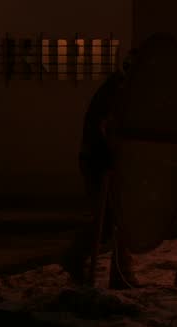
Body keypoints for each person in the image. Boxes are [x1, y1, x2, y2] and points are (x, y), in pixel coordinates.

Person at [61, 52, 142, 289]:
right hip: (99, 163)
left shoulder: (121, 90)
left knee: (119, 217)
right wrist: (110, 156)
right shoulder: (115, 91)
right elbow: (104, 127)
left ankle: (121, 274)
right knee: (109, 220)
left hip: (106, 161)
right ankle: (75, 258)